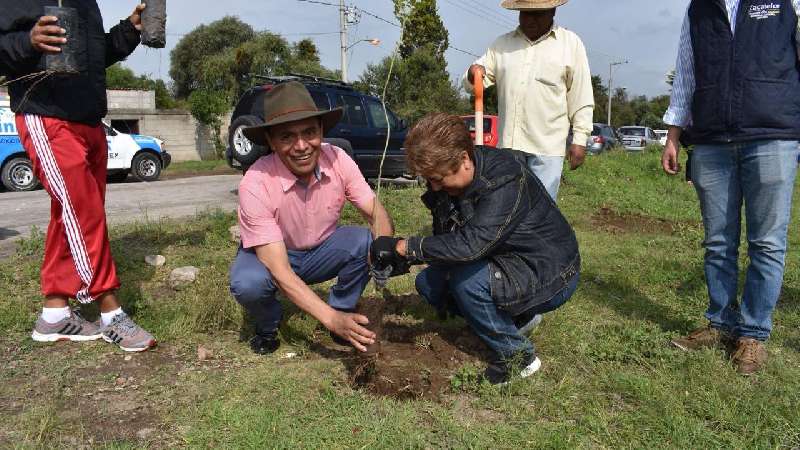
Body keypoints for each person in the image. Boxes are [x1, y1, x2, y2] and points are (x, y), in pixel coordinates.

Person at [370, 113, 580, 385]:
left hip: (550, 273)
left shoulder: (504, 179)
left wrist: (406, 247)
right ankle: (516, 321)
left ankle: (517, 358)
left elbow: (471, 245)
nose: (434, 187)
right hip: (506, 260)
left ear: (465, 160)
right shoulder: (450, 182)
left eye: (437, 178)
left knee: (467, 282)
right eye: (428, 180)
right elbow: (447, 239)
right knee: (429, 283)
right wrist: (403, 260)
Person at [0, 2, 156, 352]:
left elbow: (92, 56)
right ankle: (110, 312)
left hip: (89, 120)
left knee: (68, 214)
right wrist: (29, 41)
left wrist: (129, 30)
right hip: (46, 114)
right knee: (84, 213)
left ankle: (54, 314)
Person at [662, 0, 800, 374]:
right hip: (710, 139)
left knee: (767, 242)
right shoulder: (699, 8)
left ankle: (752, 334)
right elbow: (687, 73)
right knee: (718, 241)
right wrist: (673, 134)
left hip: (773, 135)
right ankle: (720, 323)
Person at [229, 81, 394, 354]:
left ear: (321, 131)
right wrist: (327, 316)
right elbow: (280, 270)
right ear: (270, 141)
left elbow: (375, 211)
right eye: (287, 137)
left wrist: (385, 245)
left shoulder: (338, 159)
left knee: (367, 241)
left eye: (309, 132)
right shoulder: (255, 183)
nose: (302, 146)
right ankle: (269, 323)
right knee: (247, 283)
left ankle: (343, 311)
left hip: (322, 250)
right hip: (272, 255)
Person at [463, 0, 594, 201]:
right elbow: (474, 79)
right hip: (509, 146)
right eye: (525, 13)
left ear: (552, 12)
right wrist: (473, 73)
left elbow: (581, 95)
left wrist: (579, 140)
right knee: (507, 206)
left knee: (541, 208)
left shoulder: (570, 45)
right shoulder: (502, 45)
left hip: (547, 150)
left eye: (538, 14)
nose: (530, 20)